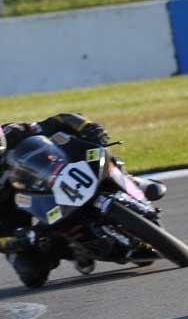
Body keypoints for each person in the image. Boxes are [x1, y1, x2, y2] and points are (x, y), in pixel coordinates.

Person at [0, 113, 166, 282]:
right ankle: (72, 247)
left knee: (92, 146)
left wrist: (88, 127)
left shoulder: (13, 131)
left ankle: (129, 181)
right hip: (11, 213)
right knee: (31, 273)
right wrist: (13, 241)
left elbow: (59, 120)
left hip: (49, 178)